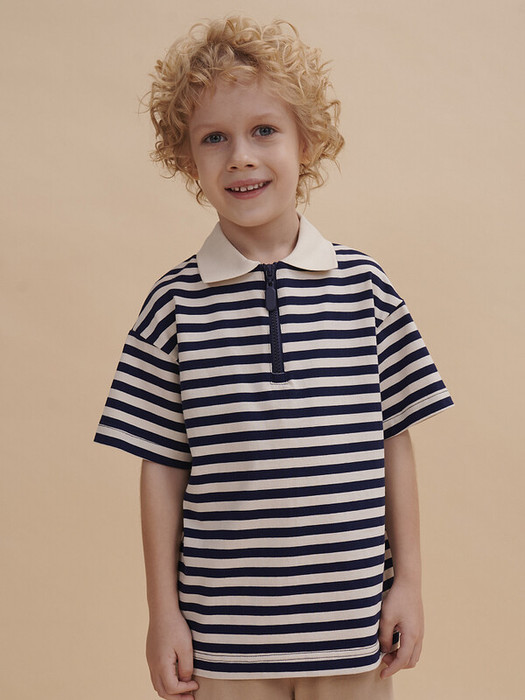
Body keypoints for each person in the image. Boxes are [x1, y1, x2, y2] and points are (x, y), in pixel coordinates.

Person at [94, 16, 453, 700]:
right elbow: (161, 466)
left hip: (351, 631)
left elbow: (394, 441)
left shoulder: (365, 289)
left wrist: (408, 582)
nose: (240, 157)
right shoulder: (173, 304)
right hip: (224, 639)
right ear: (186, 159)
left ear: (305, 142)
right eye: (214, 138)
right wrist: (163, 614)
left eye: (263, 130)